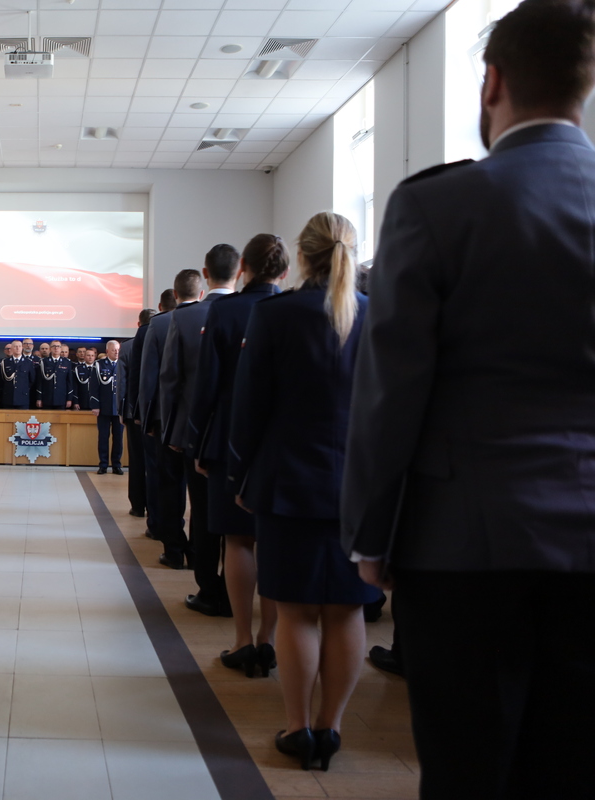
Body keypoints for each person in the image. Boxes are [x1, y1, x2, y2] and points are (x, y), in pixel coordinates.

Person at [342, 2, 595, 796]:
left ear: (492, 83)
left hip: (462, 547)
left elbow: (391, 395)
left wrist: (371, 535)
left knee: (466, 771)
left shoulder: (437, 205)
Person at [230, 213, 379, 771]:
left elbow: (250, 407)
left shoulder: (275, 314)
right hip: (359, 489)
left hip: (287, 485)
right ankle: (330, 728)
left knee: (295, 612)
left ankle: (297, 729)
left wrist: (241, 477)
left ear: (302, 255)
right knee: (347, 610)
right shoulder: (378, 317)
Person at [191, 234, 288, 678]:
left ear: (244, 265)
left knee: (237, 539)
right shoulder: (291, 309)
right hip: (282, 441)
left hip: (229, 439)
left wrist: (198, 441)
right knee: (273, 541)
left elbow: (206, 385)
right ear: (284, 271)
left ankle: (243, 639)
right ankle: (269, 638)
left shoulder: (225, 310)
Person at [162, 245, 239, 618]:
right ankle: (244, 593)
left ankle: (210, 589)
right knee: (242, 523)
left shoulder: (185, 317)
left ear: (206, 274)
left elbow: (171, 380)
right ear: (239, 271)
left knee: (204, 513)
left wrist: (173, 432)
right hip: (246, 434)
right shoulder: (258, 309)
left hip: (200, 432)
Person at [142, 272, 203, 569]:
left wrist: (149, 419)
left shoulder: (159, 323)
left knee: (169, 487)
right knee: (202, 495)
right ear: (200, 293)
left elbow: (150, 375)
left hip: (166, 421)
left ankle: (174, 550)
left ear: (175, 295)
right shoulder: (211, 315)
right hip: (203, 423)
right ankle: (200, 554)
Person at [132, 291, 176, 541]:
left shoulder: (152, 328)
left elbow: (143, 376)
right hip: (191, 418)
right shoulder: (205, 317)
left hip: (157, 415)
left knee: (157, 471)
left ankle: (160, 526)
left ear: (160, 306)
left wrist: (142, 414)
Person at [120, 310, 154, 513]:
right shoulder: (164, 337)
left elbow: (121, 383)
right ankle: (155, 506)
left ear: (138, 324)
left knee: (137, 459)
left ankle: (138, 505)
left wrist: (121, 411)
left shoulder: (126, 347)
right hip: (157, 412)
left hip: (133, 412)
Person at [93, 340, 124, 474]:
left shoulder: (123, 363)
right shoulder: (99, 365)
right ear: (107, 351)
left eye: (118, 350)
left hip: (119, 408)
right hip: (104, 407)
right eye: (113, 350)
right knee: (103, 437)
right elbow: (94, 387)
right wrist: (95, 405)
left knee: (118, 438)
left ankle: (116, 464)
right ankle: (103, 464)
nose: (116, 352)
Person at [0, 339, 37, 409]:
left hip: (22, 397)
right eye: (15, 346)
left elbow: (32, 379)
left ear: (22, 348)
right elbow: (2, 379)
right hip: (8, 397)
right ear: (11, 349)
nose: (17, 348)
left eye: (19, 346)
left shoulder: (28, 362)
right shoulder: (5, 362)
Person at [38, 340, 73, 409]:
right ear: (50, 349)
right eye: (54, 346)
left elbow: (69, 382)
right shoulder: (44, 362)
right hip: (47, 397)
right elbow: (39, 381)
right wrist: (39, 398)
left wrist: (69, 398)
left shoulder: (67, 362)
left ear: (60, 349)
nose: (56, 348)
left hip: (61, 398)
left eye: (58, 346)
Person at [72, 347, 99, 411]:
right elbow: (75, 386)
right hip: (82, 401)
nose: (90, 357)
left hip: (96, 401)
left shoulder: (98, 368)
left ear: (95, 357)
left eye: (92, 355)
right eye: (88, 355)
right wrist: (75, 402)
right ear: (84, 356)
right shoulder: (78, 369)